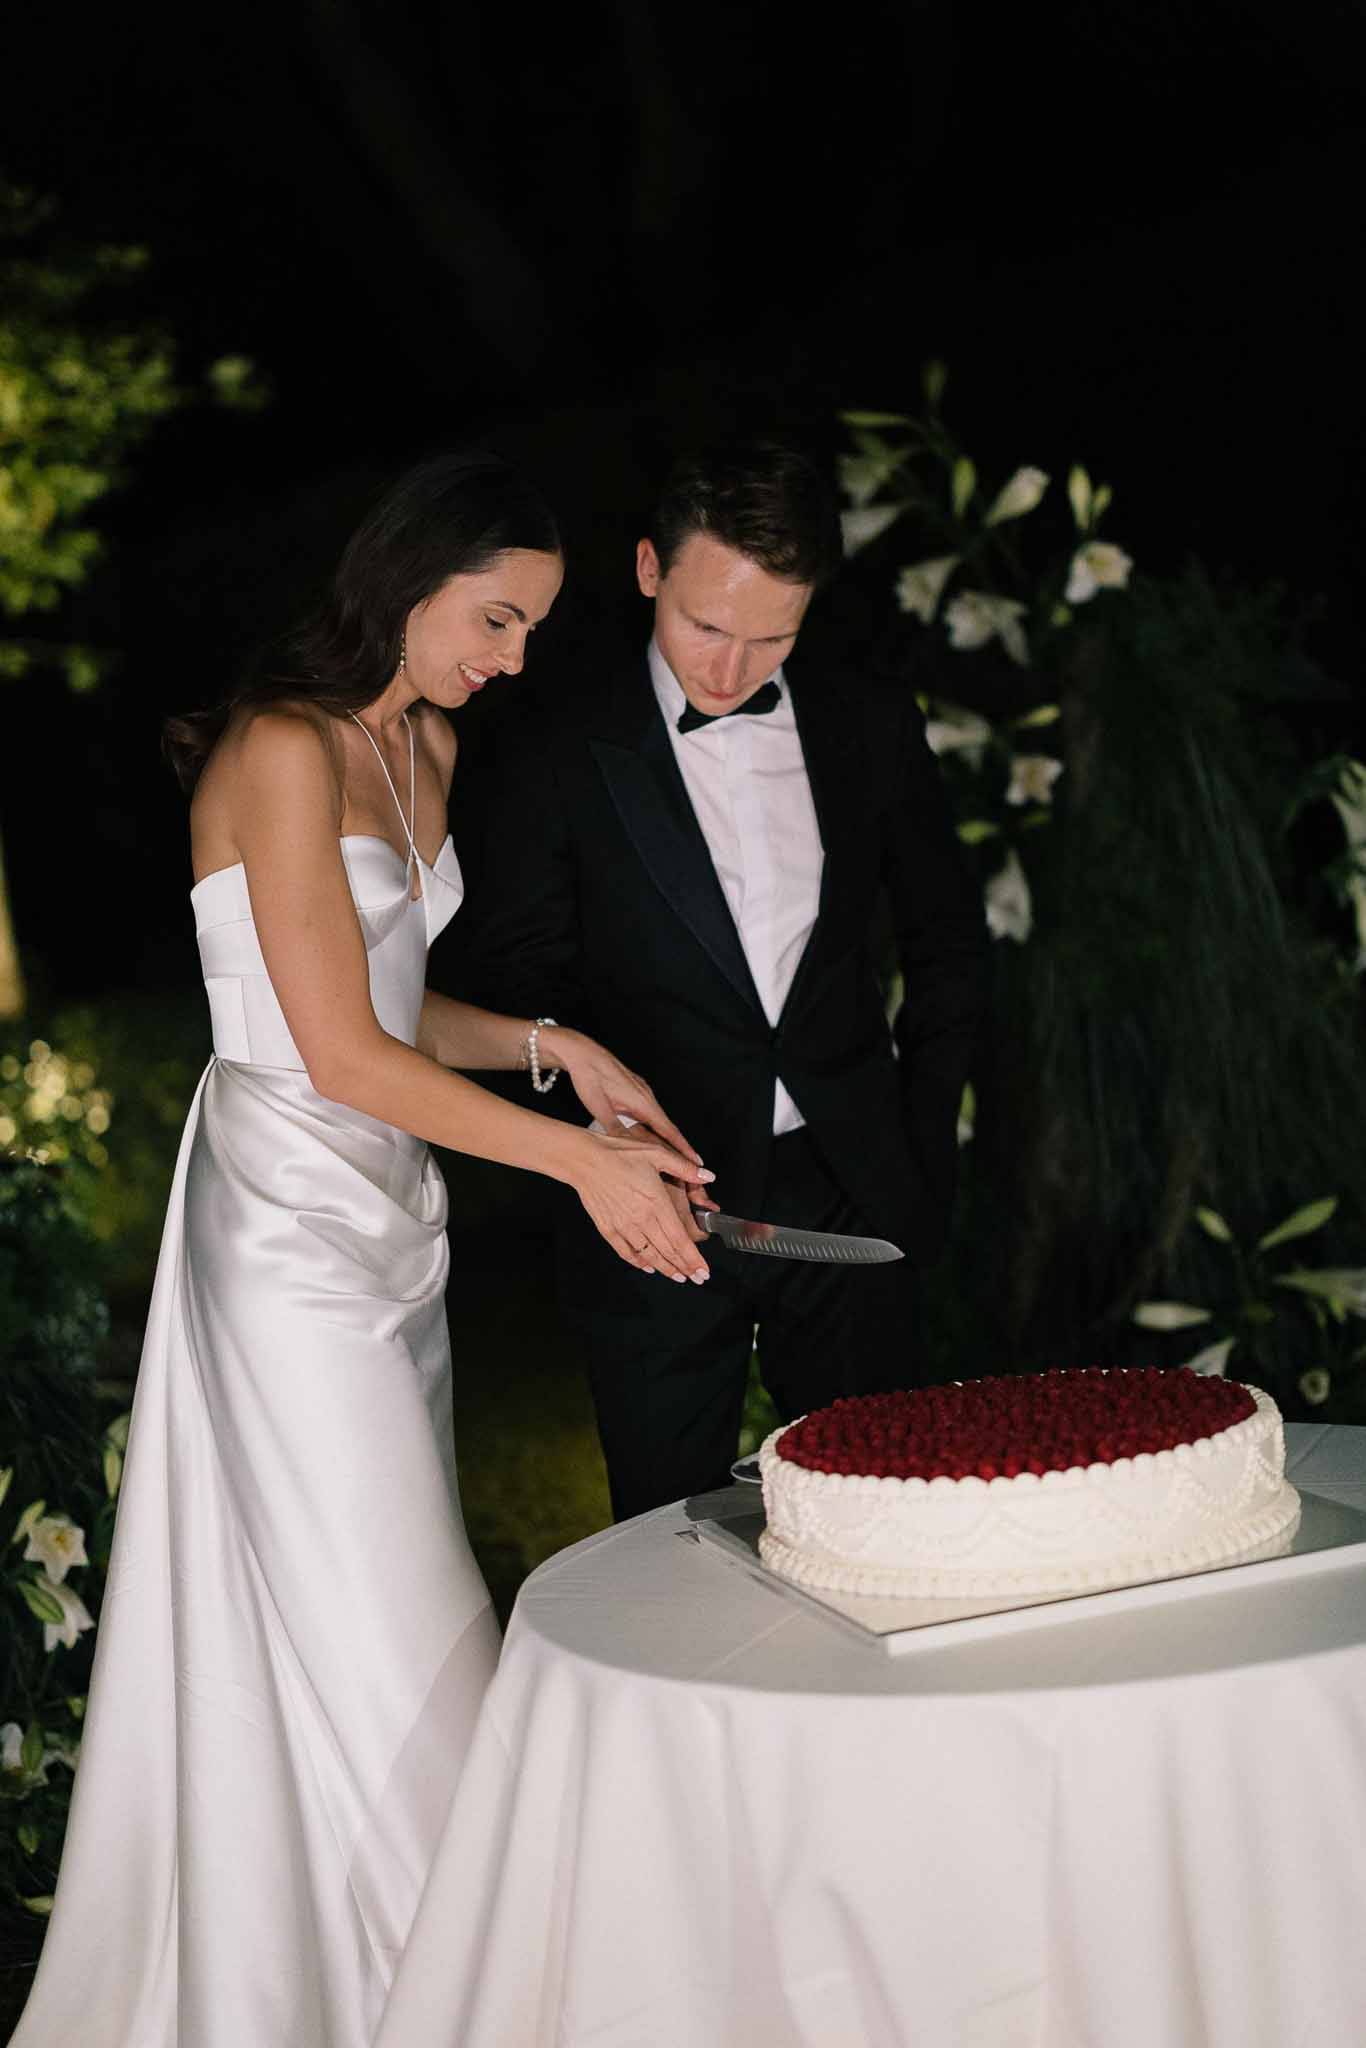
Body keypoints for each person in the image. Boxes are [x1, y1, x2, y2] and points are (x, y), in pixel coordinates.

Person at [9, 449, 714, 2048]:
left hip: (396, 1218)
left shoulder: (434, 745)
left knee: (352, 1608)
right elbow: (327, 1048)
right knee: (396, 1610)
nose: (513, 657)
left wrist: (557, 1050)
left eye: (533, 628)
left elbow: (395, 1006)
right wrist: (581, 1164)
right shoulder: (278, 750)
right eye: (495, 616)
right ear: (403, 582)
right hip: (284, 1230)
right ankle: (490, 1986)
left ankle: (344, 1969)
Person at [453, 438, 990, 1521]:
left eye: (770, 637)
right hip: (651, 1218)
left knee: (890, 1526)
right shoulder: (554, 750)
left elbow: (948, 944)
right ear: (649, 567)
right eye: (706, 625)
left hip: (851, 1197)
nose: (729, 670)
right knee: (665, 1545)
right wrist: (597, 1162)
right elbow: (506, 994)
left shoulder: (869, 722)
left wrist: (922, 1155)